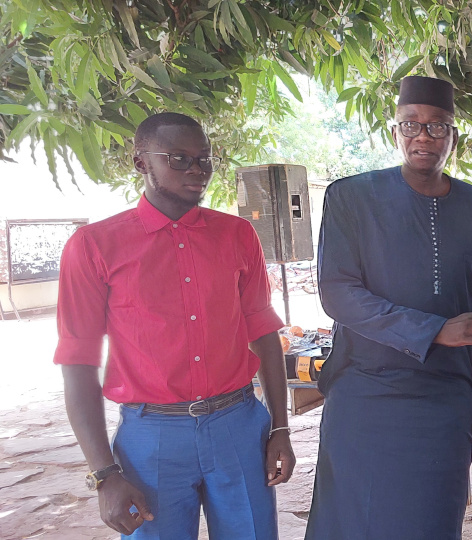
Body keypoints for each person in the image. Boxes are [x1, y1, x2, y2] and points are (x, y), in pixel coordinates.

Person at [55, 112, 294, 539]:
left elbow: (262, 333)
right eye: (178, 159)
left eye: (204, 158)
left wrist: (279, 427)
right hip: (152, 438)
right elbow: (78, 361)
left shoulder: (238, 236)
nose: (197, 170)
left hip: (238, 426)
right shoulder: (94, 247)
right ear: (141, 162)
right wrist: (104, 474)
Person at [305, 75, 472, 540]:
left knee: (433, 522)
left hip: (444, 400)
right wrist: (436, 330)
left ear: (453, 136)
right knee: (355, 521)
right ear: (394, 131)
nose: (424, 136)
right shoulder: (351, 197)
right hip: (366, 393)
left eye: (438, 126)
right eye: (411, 125)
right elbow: (338, 293)